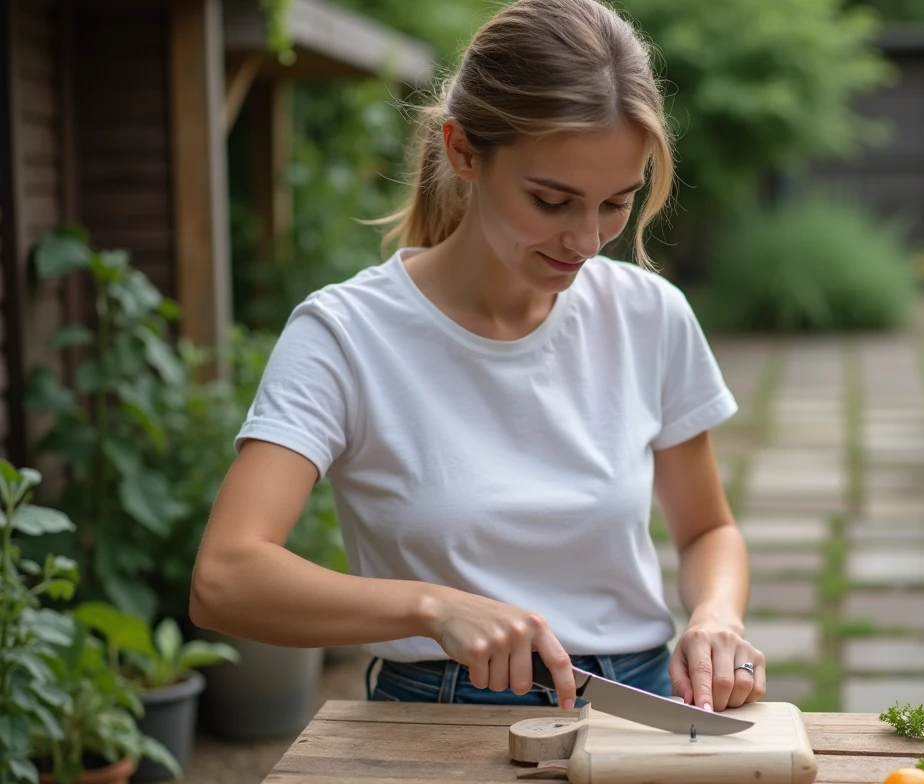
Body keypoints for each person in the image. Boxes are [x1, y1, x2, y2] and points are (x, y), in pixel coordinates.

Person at [188, 0, 766, 714]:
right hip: (442, 712)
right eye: (552, 201)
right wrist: (432, 609)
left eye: (616, 202)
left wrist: (716, 617)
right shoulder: (346, 335)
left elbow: (709, 530)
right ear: (464, 151)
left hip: (641, 701)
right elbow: (225, 578)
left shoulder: (650, 315)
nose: (587, 240)